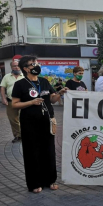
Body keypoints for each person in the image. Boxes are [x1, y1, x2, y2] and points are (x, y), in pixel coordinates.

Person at [11, 55, 68, 193]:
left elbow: (52, 99)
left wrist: (59, 93)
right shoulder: (20, 84)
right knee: (32, 151)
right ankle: (35, 183)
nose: (36, 65)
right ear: (25, 68)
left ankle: (50, 180)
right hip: (29, 122)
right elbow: (14, 104)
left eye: (36, 63)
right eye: (32, 64)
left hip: (47, 121)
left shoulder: (44, 81)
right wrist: (31, 102)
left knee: (48, 150)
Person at [0, 60, 24, 143]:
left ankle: (25, 135)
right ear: (11, 67)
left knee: (24, 119)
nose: (16, 67)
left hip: (23, 102)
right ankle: (18, 135)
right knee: (13, 120)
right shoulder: (7, 76)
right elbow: (2, 88)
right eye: (14, 66)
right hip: (11, 102)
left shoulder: (25, 76)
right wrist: (3, 98)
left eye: (18, 65)